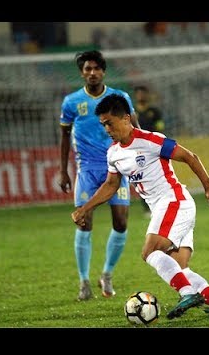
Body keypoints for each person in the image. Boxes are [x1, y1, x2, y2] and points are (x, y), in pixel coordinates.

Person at [71, 94, 209, 320]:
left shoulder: (151, 140)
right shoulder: (113, 153)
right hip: (167, 208)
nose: (106, 129)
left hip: (174, 201)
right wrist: (86, 208)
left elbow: (189, 156)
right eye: (103, 125)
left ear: (126, 118)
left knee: (149, 252)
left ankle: (187, 293)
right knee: (179, 269)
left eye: (109, 123)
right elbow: (111, 185)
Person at [59, 50, 140, 301]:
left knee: (121, 223)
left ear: (103, 71)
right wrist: (63, 170)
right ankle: (84, 281)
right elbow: (64, 136)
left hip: (117, 165)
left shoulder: (120, 97)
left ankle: (106, 274)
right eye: (87, 69)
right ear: (82, 73)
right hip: (87, 169)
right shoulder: (71, 102)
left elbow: (136, 130)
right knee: (84, 223)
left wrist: (142, 160)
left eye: (96, 68)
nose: (92, 73)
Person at [133, 85, 166, 216]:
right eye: (138, 93)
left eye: (143, 93)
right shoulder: (132, 112)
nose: (141, 96)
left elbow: (160, 128)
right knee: (141, 178)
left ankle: (161, 205)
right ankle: (147, 208)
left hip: (153, 148)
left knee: (158, 176)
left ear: (147, 95)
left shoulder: (154, 111)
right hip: (138, 150)